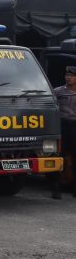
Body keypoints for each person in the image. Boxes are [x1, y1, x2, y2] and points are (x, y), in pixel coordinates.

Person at [54, 65, 76, 198]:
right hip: (62, 126)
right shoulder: (58, 91)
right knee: (59, 157)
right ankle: (56, 187)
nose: (68, 78)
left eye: (72, 76)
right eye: (67, 75)